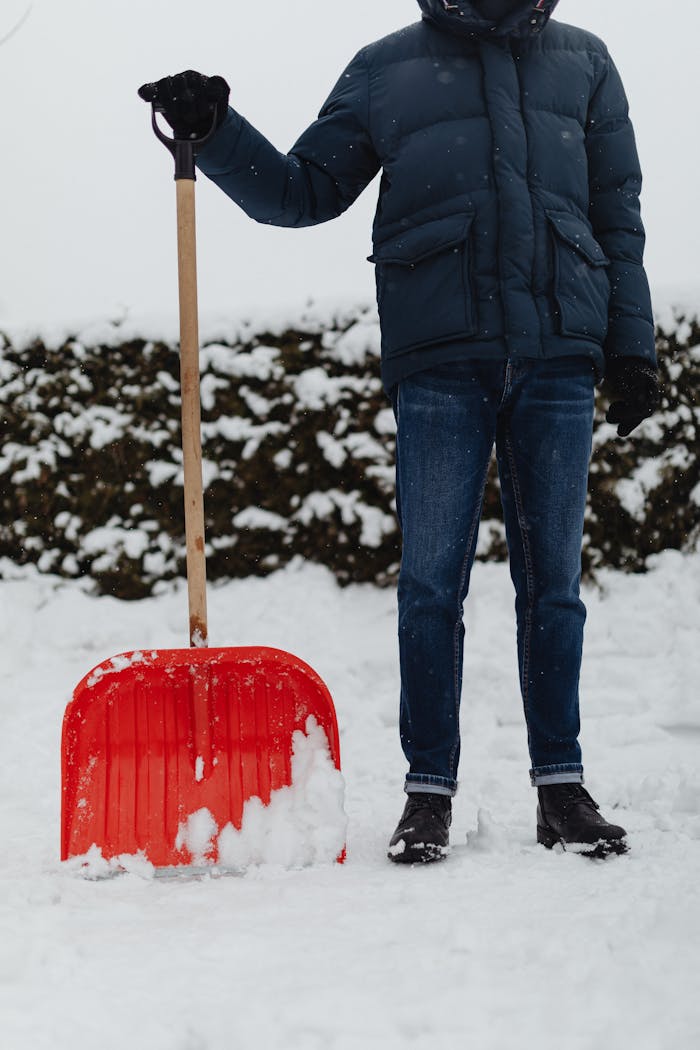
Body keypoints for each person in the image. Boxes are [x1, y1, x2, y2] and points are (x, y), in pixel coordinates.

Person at [141, 0, 660, 863]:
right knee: (429, 587)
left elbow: (619, 215)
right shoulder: (388, 67)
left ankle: (561, 786)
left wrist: (631, 347)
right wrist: (219, 131)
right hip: (440, 360)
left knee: (554, 588)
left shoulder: (586, 62)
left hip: (559, 354)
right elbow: (302, 191)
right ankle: (429, 793)